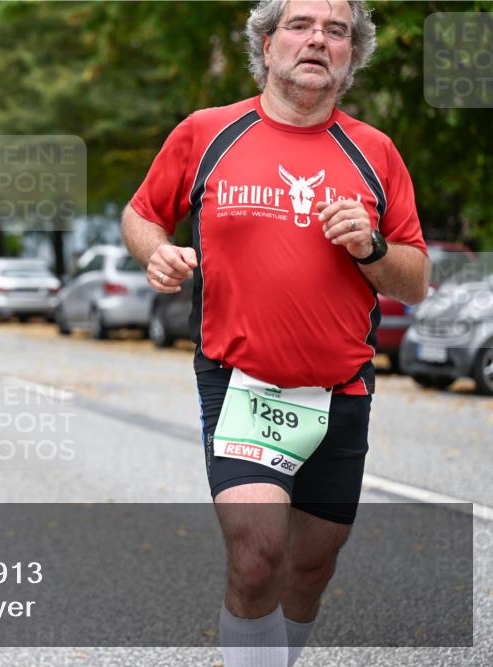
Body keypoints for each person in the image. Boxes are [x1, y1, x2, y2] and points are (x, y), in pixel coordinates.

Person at [120, 2, 430, 666]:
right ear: (266, 44)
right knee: (258, 554)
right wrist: (154, 251)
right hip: (240, 383)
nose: (318, 39)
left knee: (310, 568)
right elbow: (142, 213)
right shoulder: (208, 132)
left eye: (337, 31)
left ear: (351, 57)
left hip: (341, 388)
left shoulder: (374, 151)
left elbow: (415, 280)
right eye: (300, 25)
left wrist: (372, 246)